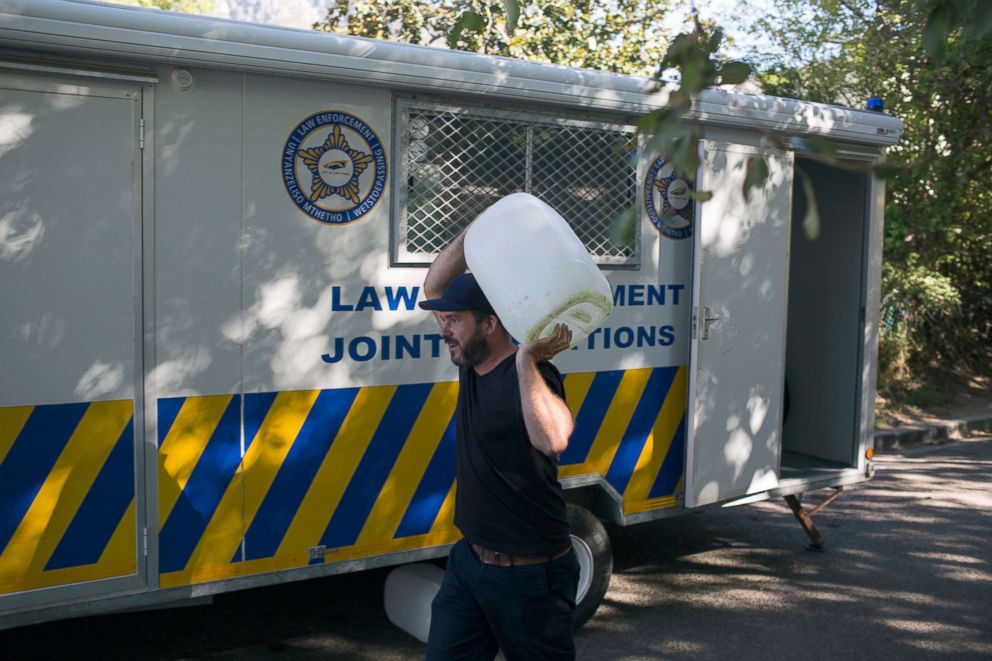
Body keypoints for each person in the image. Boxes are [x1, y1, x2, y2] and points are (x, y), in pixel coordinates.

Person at [419, 226, 580, 661]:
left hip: (530, 577)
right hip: (469, 564)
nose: (444, 329)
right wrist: (480, 232)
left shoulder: (532, 375)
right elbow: (434, 285)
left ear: (490, 324)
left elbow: (554, 438)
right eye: (444, 319)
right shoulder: (469, 361)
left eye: (454, 320)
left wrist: (528, 357)